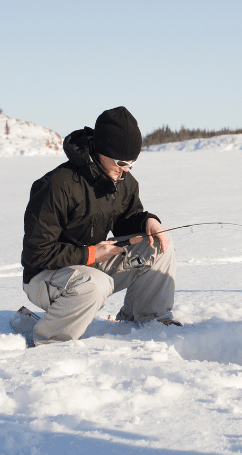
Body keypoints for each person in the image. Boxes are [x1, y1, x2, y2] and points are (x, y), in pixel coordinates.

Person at [21, 106, 179, 347]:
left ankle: (149, 322)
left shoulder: (122, 180)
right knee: (94, 284)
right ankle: (50, 342)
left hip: (91, 264)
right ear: (100, 150)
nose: (125, 170)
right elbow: (36, 253)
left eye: (132, 164)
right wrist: (91, 253)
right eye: (121, 162)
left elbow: (128, 218)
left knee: (157, 246)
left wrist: (148, 220)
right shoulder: (58, 185)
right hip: (44, 276)